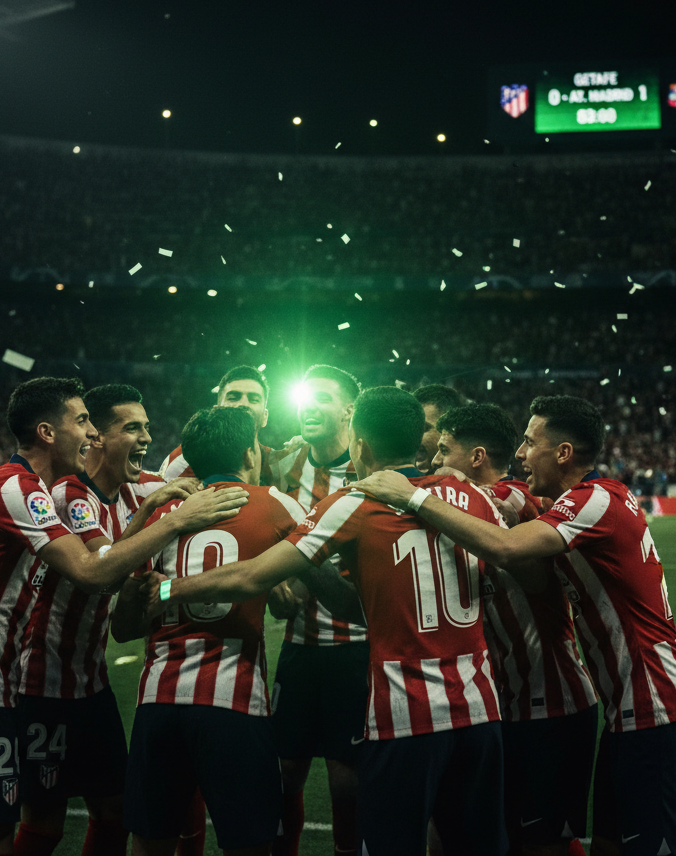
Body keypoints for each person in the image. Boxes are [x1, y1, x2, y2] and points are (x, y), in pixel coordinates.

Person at [148, 386, 513, 855]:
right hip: (481, 710)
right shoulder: (468, 496)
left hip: (406, 714)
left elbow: (251, 576)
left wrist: (166, 588)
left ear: (360, 445)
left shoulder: (353, 501)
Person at [357, 394, 676, 856]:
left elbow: (506, 538)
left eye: (529, 441)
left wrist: (415, 493)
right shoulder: (569, 501)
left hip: (658, 705)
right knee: (606, 845)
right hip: (624, 710)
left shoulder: (594, 499)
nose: (520, 453)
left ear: (563, 452)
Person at [0, 376, 247, 856]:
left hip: (17, 682)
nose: (90, 433)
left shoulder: (34, 486)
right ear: (49, 433)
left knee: (7, 827)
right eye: (83, 421)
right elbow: (95, 572)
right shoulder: (27, 488)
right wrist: (178, 519)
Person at [112, 405, 309, 855]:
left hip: (157, 703)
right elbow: (309, 584)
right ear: (250, 452)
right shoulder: (277, 503)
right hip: (233, 701)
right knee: (250, 842)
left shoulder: (163, 518)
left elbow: (122, 629)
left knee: (149, 843)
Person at [14, 383, 202, 856]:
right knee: (44, 820)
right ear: (97, 437)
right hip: (44, 684)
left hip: (90, 683)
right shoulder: (70, 495)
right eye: (131, 428)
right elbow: (102, 572)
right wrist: (163, 519)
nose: (145, 437)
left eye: (147, 427)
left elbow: (196, 479)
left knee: (115, 810)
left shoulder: (138, 490)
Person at [431, 403, 597, 856]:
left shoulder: (515, 499)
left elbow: (504, 513)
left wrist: (423, 489)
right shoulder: (465, 509)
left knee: (544, 843)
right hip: (506, 706)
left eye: (443, 449)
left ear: (477, 457)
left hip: (554, 703)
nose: (433, 461)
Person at [263, 364, 366, 856]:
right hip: (299, 648)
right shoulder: (284, 464)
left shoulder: (370, 472)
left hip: (355, 649)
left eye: (323, 397)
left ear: (349, 408)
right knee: (284, 771)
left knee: (347, 782)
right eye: (306, 397)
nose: (309, 405)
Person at [159, 365, 283, 487]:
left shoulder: (279, 465)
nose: (243, 404)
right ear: (216, 411)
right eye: (233, 398)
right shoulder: (182, 462)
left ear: (265, 417)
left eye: (254, 399)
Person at [412, 383, 464, 473]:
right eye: (409, 428)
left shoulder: (472, 484)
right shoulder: (394, 479)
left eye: (423, 428)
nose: (411, 436)